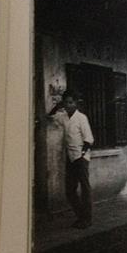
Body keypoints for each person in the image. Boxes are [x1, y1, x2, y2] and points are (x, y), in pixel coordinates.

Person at [48, 91, 94, 229]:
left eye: (70, 102)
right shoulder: (63, 117)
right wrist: (58, 105)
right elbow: (50, 116)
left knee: (85, 188)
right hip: (70, 158)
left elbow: (89, 140)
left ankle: (87, 219)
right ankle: (81, 217)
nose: (68, 105)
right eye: (66, 103)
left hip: (81, 157)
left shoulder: (81, 118)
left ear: (76, 103)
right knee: (70, 190)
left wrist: (82, 155)